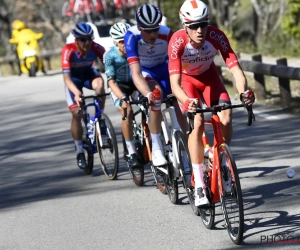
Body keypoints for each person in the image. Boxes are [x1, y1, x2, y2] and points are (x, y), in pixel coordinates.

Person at [168, 0, 255, 206]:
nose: (199, 30)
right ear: (184, 26)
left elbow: (235, 69)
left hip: (210, 79)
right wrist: (187, 101)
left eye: (203, 24)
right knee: (197, 122)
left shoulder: (216, 36)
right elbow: (174, 84)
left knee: (226, 115)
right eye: (193, 26)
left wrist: (244, 92)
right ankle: (199, 183)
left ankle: (222, 162)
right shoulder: (177, 42)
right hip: (187, 82)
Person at [124, 4, 177, 167]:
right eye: (148, 30)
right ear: (139, 27)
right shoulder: (131, 36)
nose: (153, 34)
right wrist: (148, 95)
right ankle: (156, 148)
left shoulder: (167, 33)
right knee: (156, 94)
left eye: (156, 28)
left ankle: (182, 138)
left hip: (164, 68)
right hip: (146, 71)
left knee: (177, 99)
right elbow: (136, 74)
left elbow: (178, 64)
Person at [61, 22, 106, 169]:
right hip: (73, 80)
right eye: (83, 39)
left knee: (100, 84)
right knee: (77, 114)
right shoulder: (68, 50)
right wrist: (76, 92)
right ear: (76, 40)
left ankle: (100, 118)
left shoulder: (96, 48)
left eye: (89, 38)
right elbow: (66, 79)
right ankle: (79, 149)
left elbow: (109, 66)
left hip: (88, 74)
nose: (87, 42)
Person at [104, 22, 140, 168]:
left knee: (149, 105)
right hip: (119, 86)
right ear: (114, 42)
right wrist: (122, 97)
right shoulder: (110, 56)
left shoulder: (136, 48)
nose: (125, 44)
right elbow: (111, 83)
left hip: (135, 83)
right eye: (121, 41)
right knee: (128, 111)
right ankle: (131, 151)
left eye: (127, 40)